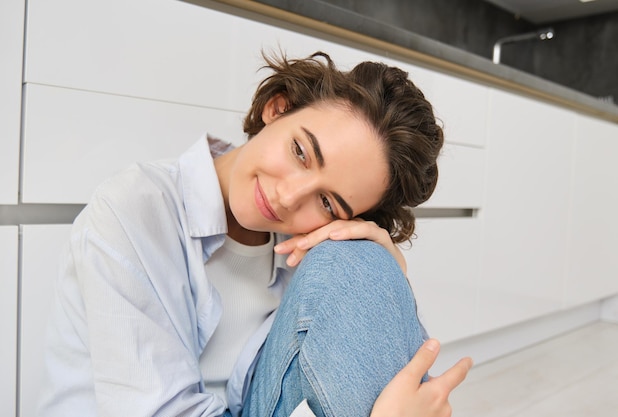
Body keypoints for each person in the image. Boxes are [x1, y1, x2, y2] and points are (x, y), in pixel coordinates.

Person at [38, 51, 472, 417]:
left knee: (362, 260)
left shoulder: (310, 247)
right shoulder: (132, 210)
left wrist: (384, 269)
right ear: (277, 108)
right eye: (300, 152)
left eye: (327, 203)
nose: (288, 196)